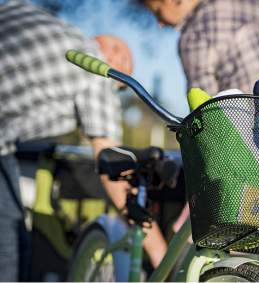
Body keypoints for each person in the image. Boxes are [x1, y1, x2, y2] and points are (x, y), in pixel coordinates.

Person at [141, 0, 259, 280]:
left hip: (249, 140)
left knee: (195, 227)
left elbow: (204, 109)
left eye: (158, 11)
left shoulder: (195, 31)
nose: (160, 22)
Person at [0, 1, 167, 280]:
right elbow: (112, 168)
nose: (120, 82)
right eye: (123, 77)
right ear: (112, 53)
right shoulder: (98, 76)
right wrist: (162, 254)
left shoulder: (36, 15)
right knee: (10, 245)